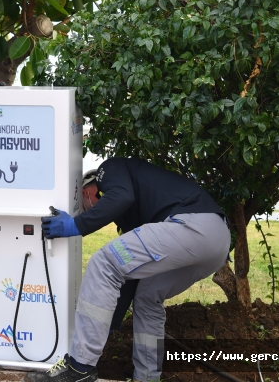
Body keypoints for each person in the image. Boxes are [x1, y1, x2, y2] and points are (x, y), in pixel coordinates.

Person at [28, 158, 231, 382]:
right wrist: (110, 324)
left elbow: (120, 196)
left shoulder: (110, 168)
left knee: (103, 263)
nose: (84, 208)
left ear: (89, 187)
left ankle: (79, 368)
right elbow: (129, 279)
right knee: (147, 296)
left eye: (82, 201)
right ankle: (147, 377)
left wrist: (76, 225)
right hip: (216, 241)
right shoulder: (134, 217)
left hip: (191, 225)